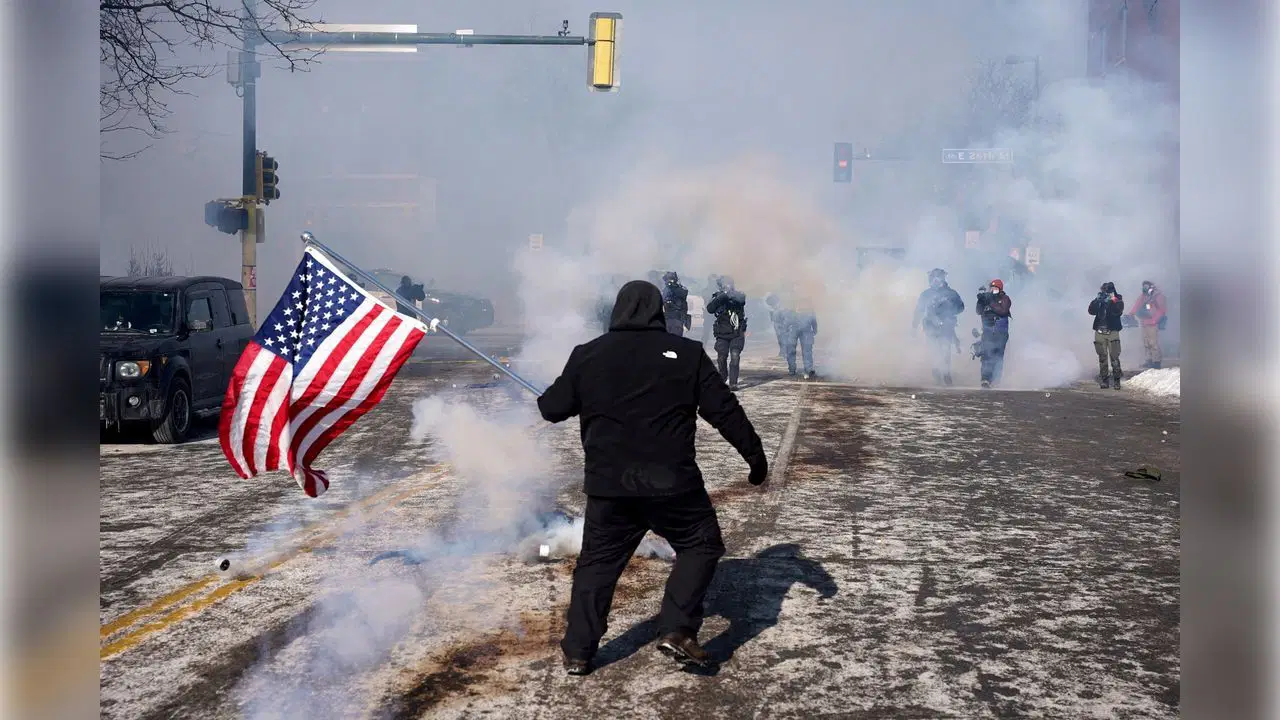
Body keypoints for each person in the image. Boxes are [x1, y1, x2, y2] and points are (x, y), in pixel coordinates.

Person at [537, 280, 769, 676]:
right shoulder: (688, 354)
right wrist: (754, 455)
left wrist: (563, 393)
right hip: (672, 484)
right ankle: (677, 628)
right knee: (701, 545)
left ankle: (579, 651)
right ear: (659, 311)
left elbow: (551, 408)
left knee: (596, 566)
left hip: (611, 487)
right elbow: (724, 410)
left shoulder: (588, 355)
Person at [912, 268, 966, 386]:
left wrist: (950, 308)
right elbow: (919, 310)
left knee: (946, 350)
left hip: (946, 327)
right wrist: (914, 326)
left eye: (938, 278)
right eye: (933, 278)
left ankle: (946, 374)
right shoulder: (926, 294)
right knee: (934, 350)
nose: (936, 280)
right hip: (930, 327)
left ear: (943, 279)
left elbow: (961, 307)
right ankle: (937, 372)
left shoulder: (951, 293)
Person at [706, 276, 749, 390]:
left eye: (729, 284)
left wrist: (730, 294)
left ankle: (733, 383)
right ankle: (723, 376)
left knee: (735, 356)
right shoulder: (718, 297)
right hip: (722, 333)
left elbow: (742, 300)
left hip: (736, 331)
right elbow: (710, 309)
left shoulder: (738, 295)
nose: (727, 286)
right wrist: (723, 296)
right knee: (721, 358)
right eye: (725, 284)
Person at [974, 279, 1012, 388]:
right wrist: (980, 301)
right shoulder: (986, 299)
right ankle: (985, 379)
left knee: (998, 357)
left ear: (1000, 289)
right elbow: (978, 311)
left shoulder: (1005, 299)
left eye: (995, 288)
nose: (993, 290)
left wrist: (991, 302)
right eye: (992, 288)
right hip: (987, 332)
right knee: (986, 355)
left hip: (1000, 333)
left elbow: (1003, 311)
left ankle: (996, 380)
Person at [1089, 281, 1125, 389]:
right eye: (1104, 290)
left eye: (1107, 290)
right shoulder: (1100, 300)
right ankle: (1104, 380)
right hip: (1100, 331)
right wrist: (1097, 301)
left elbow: (1118, 312)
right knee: (1102, 357)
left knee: (1114, 357)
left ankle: (1117, 380)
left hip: (1112, 332)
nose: (1105, 292)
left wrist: (1113, 300)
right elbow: (1091, 311)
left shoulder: (1118, 300)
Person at [1127, 279, 1167, 369]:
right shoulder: (1143, 296)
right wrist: (1131, 314)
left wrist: (1155, 320)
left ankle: (1156, 361)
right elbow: (1137, 305)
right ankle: (1149, 360)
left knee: (1153, 343)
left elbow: (1162, 310)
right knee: (1146, 342)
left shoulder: (1158, 296)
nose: (1144, 288)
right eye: (1143, 286)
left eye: (1146, 286)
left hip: (1153, 323)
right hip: (1144, 322)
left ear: (1151, 287)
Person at [783, 296, 818, 379]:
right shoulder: (808, 308)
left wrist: (786, 330)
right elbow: (814, 320)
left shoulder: (792, 307)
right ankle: (807, 370)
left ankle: (793, 370)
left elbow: (787, 321)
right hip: (803, 330)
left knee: (792, 350)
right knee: (806, 351)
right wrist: (814, 330)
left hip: (795, 329)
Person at [660, 271, 690, 337]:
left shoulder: (679, 289)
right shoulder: (666, 289)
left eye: (670, 279)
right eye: (667, 280)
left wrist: (673, 287)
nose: (668, 282)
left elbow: (683, 294)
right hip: (667, 318)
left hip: (677, 318)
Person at [764, 293, 788, 360]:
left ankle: (784, 353)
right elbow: (773, 320)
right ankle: (782, 352)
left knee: (783, 340)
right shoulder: (773, 309)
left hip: (782, 326)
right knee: (780, 340)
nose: (772, 306)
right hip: (777, 326)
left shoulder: (782, 309)